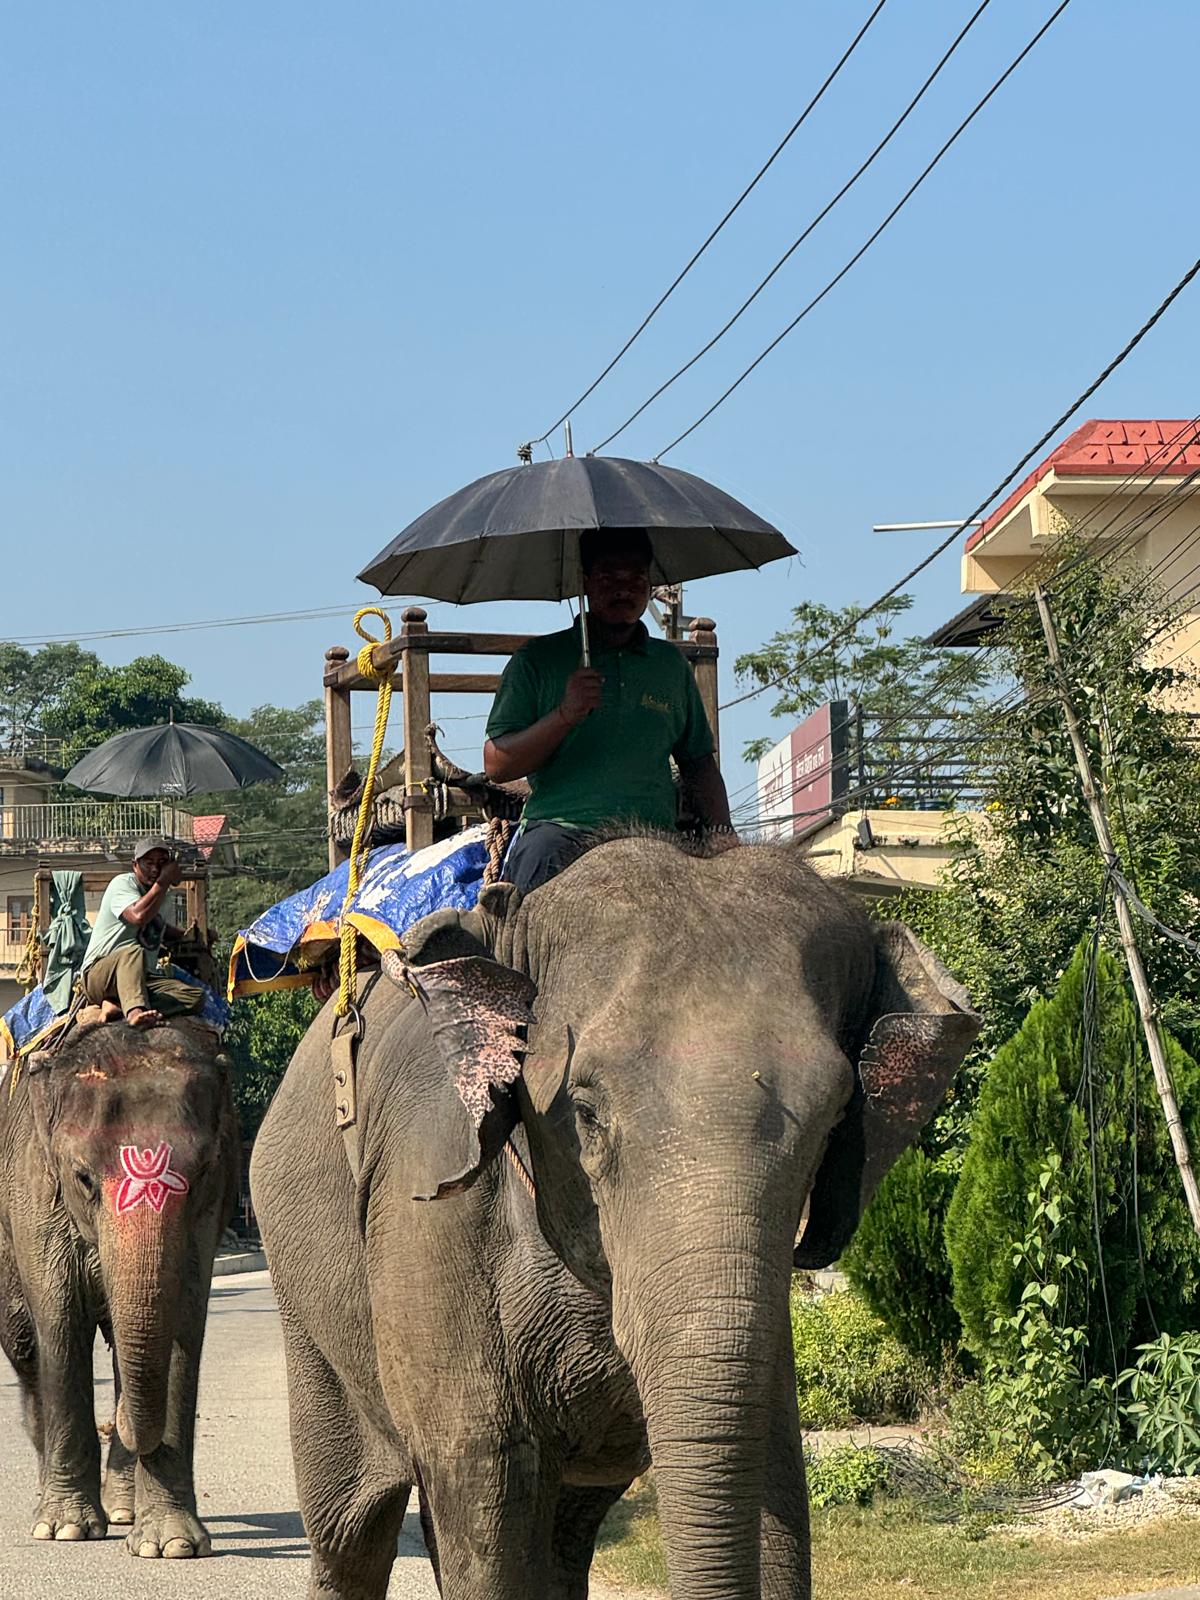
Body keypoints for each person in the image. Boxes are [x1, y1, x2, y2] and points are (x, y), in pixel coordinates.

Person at [483, 528, 737, 893]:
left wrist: (723, 834)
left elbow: (697, 762)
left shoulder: (670, 665)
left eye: (637, 577)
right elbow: (497, 764)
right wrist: (565, 715)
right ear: (584, 582)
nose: (625, 588)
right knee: (520, 928)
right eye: (609, 576)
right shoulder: (536, 662)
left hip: (654, 839)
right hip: (560, 832)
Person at [80, 838, 205, 1027]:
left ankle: (118, 1004)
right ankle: (134, 1012)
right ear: (135, 865)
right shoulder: (123, 884)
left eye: (162, 864)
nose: (155, 870)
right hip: (101, 975)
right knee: (133, 952)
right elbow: (138, 916)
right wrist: (163, 882)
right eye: (149, 863)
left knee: (194, 997)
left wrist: (192, 936)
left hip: (141, 978)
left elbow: (158, 928)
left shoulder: (164, 897)